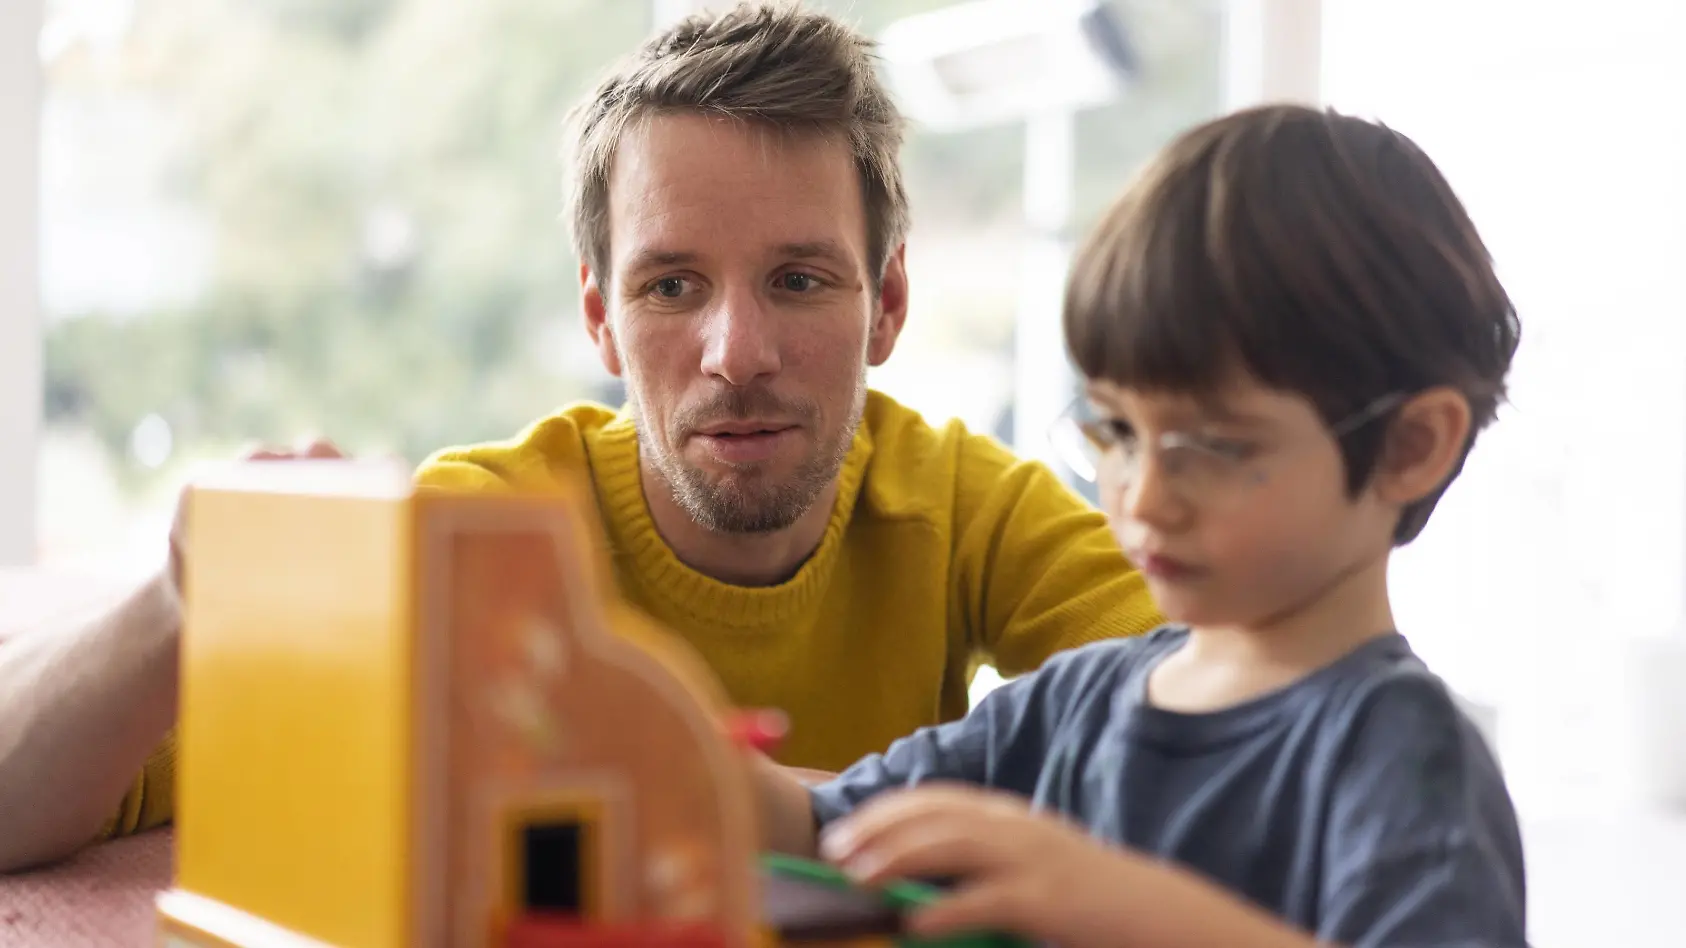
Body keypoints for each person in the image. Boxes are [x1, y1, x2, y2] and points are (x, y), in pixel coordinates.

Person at [0, 2, 1162, 873]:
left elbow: (1236, 731)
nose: (737, 352)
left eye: (800, 280)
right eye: (671, 287)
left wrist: (759, 799)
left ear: (889, 303)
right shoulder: (474, 534)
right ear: (601, 317)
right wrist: (177, 601)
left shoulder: (966, 505)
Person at [751, 104, 1528, 948]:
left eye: (1214, 446)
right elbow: (817, 825)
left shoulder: (1406, 759)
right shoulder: (1074, 704)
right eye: (1119, 432)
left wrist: (1116, 903)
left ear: (1410, 447)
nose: (1144, 498)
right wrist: (676, 740)